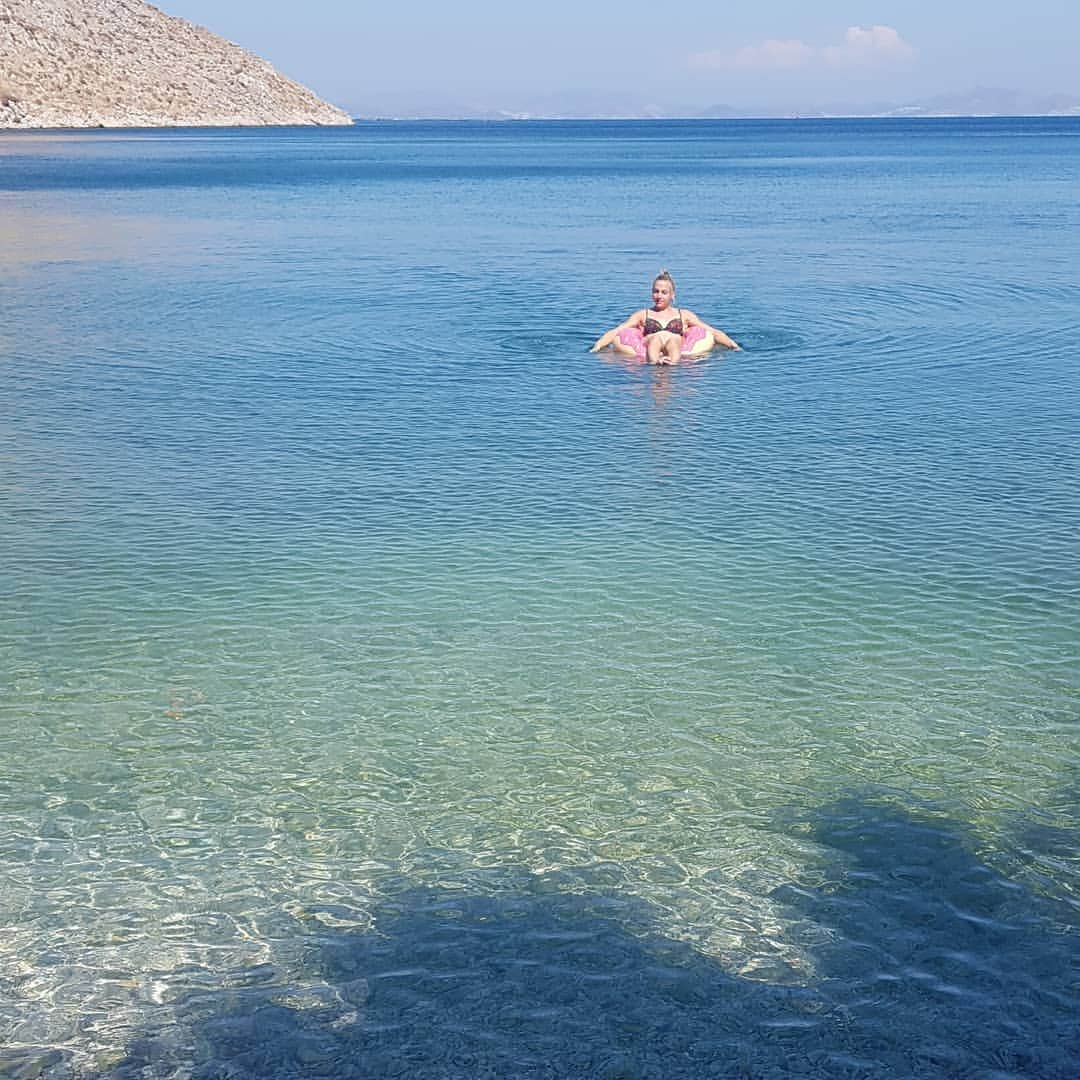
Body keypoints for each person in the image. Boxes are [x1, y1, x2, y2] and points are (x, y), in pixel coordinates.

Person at [590, 269, 740, 364]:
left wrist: (733, 345)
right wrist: (597, 347)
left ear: (672, 295)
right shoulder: (643, 314)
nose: (659, 296)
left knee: (672, 339)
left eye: (663, 292)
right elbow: (618, 330)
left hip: (676, 344)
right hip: (650, 345)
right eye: (655, 291)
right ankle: (654, 363)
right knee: (656, 338)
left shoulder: (684, 315)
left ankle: (672, 365)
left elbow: (712, 331)